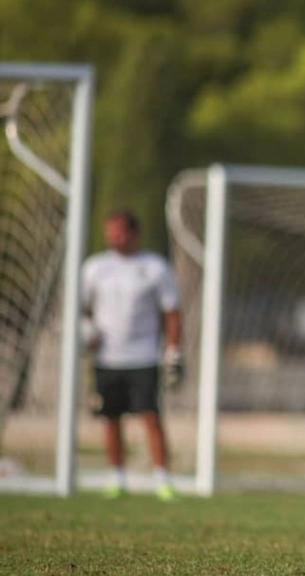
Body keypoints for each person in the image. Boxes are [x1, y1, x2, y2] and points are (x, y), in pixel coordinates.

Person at [81, 210, 183, 501]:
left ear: (134, 233)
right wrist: (86, 331)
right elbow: (82, 308)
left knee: (151, 417)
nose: (115, 237)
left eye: (120, 231)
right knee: (111, 418)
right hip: (106, 358)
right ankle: (116, 476)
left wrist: (173, 349)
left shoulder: (154, 267)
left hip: (144, 356)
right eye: (110, 231)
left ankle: (162, 479)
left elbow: (172, 312)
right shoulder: (95, 268)